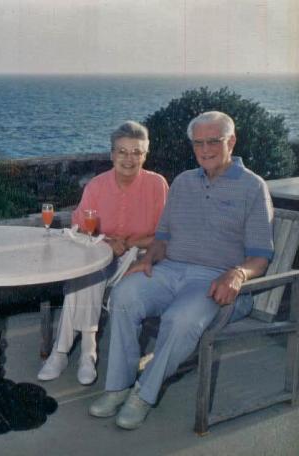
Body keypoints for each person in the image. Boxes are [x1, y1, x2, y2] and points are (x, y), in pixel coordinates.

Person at [88, 111, 274, 430]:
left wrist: (238, 274)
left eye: (213, 141)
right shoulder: (184, 182)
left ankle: (144, 394)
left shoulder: (252, 187)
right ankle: (118, 387)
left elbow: (260, 256)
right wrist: (148, 259)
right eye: (198, 143)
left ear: (231, 141)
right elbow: (163, 238)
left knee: (180, 318)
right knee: (123, 296)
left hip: (215, 282)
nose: (205, 149)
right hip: (169, 270)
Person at [37, 121, 169, 385]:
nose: (129, 159)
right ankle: (86, 352)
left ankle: (64, 352)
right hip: (101, 256)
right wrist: (108, 242)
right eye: (122, 151)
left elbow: (165, 234)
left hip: (140, 259)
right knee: (88, 275)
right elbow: (79, 229)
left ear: (145, 155)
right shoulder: (96, 186)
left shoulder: (157, 185)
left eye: (136, 152)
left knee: (86, 276)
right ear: (112, 154)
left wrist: (130, 243)